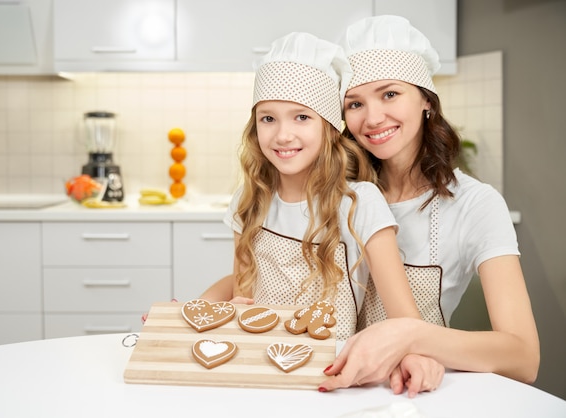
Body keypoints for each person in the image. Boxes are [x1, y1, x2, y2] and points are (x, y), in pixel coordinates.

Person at [318, 15, 540, 392]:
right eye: (354, 103)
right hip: (330, 384)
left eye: (390, 94)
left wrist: (409, 336)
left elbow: (523, 357)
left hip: (418, 390)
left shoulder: (476, 205)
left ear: (426, 100)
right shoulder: (337, 194)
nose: (373, 118)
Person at [199, 31, 425, 344]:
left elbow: (405, 320)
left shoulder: (360, 202)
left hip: (335, 370)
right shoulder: (248, 200)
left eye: (301, 117)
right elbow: (243, 295)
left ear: (331, 130)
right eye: (268, 118)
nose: (282, 135)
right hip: (262, 360)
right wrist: (212, 310)